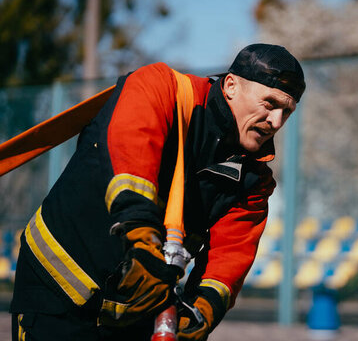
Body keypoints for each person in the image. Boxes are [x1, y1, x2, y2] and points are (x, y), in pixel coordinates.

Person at [10, 43, 305, 341]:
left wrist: (204, 309)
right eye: (270, 103)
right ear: (231, 86)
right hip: (55, 288)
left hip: (132, 313)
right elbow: (132, 151)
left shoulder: (254, 180)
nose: (276, 122)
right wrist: (141, 235)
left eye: (287, 112)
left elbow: (230, 255)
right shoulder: (163, 88)